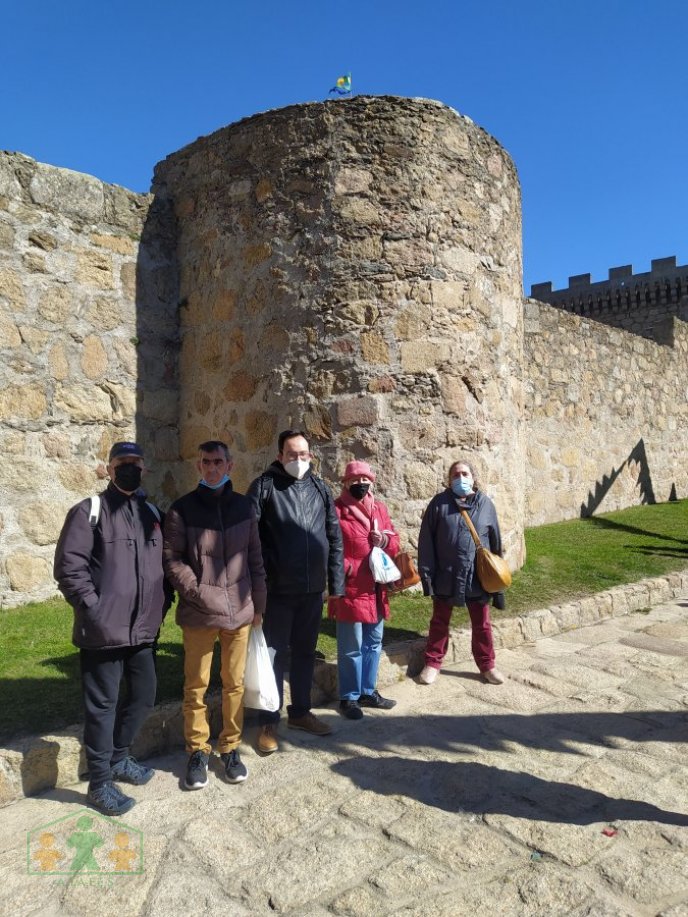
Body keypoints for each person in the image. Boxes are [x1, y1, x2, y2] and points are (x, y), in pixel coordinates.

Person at [54, 441, 171, 817]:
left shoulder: (151, 512)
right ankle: (99, 782)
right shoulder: (89, 511)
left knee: (144, 696)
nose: (130, 469)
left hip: (142, 630)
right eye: (123, 463)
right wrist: (94, 607)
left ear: (144, 468)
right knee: (102, 707)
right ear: (109, 468)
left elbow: (161, 567)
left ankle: (121, 758)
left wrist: (161, 604)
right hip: (104, 630)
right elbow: (69, 568)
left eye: (136, 462)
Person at [163, 440, 266, 790]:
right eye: (205, 462)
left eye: (218, 462)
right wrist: (198, 592)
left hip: (239, 611)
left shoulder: (244, 508)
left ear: (230, 466)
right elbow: (172, 559)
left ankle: (231, 747)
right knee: (196, 686)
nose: (212, 468)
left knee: (234, 684)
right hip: (200, 613)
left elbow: (255, 557)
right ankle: (197, 751)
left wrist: (259, 604)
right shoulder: (182, 510)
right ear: (198, 466)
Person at [247, 429, 345, 753]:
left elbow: (334, 537)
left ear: (311, 457)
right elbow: (250, 541)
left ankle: (301, 712)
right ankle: (268, 721)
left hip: (313, 591)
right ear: (280, 456)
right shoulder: (264, 487)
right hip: (278, 591)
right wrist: (258, 589)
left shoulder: (320, 488)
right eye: (292, 454)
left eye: (304, 455)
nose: (299, 460)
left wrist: (335, 586)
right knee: (273, 657)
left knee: (305, 653)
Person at [417, 459, 506, 686]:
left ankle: (488, 665)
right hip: (446, 575)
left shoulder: (486, 504)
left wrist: (498, 587)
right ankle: (432, 664)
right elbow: (427, 542)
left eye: (465, 474)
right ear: (449, 480)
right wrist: (427, 577)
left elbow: (495, 543)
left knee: (482, 624)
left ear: (473, 478)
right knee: (439, 621)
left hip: (477, 576)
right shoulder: (438, 504)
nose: (460, 478)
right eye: (455, 475)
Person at [328, 461, 400, 719]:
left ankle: (368, 691)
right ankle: (349, 697)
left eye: (365, 479)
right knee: (351, 645)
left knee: (373, 643)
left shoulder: (378, 508)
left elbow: (394, 539)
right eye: (354, 479)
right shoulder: (336, 510)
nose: (360, 483)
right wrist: (346, 567)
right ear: (345, 483)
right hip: (351, 587)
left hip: (376, 586)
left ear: (372, 481)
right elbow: (328, 545)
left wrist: (386, 540)